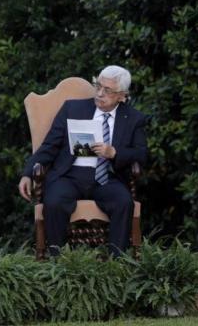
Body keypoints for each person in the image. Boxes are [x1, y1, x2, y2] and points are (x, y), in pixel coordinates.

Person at [18, 65, 148, 256]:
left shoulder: (133, 118)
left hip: (107, 179)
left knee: (124, 202)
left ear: (122, 95)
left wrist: (114, 153)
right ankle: (57, 263)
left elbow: (141, 154)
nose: (100, 93)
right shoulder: (72, 108)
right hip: (70, 175)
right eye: (98, 86)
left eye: (108, 90)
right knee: (53, 201)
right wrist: (28, 173)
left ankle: (117, 264)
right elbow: (49, 146)